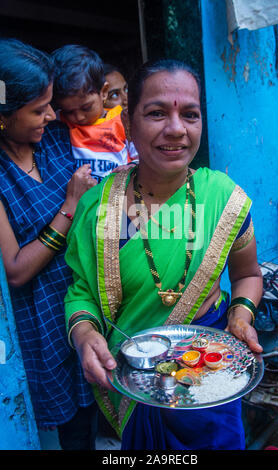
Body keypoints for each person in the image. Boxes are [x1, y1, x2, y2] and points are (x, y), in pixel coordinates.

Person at [64, 59, 263, 450]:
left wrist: (241, 316)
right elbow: (82, 292)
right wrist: (85, 334)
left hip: (207, 377)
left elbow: (247, 275)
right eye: (157, 113)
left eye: (189, 114)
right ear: (128, 124)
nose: (176, 129)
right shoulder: (102, 207)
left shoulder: (223, 198)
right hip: (134, 381)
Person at [0, 38, 99, 450]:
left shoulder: (57, 139)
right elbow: (17, 269)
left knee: (93, 410)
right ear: (3, 116)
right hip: (40, 319)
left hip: (82, 300)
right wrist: (70, 206)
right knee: (62, 429)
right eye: (39, 109)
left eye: (50, 104)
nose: (52, 115)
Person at [51, 45, 138, 183]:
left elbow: (140, 156)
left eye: (86, 108)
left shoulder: (122, 120)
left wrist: (131, 167)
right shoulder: (59, 120)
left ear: (103, 92)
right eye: (69, 111)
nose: (78, 117)